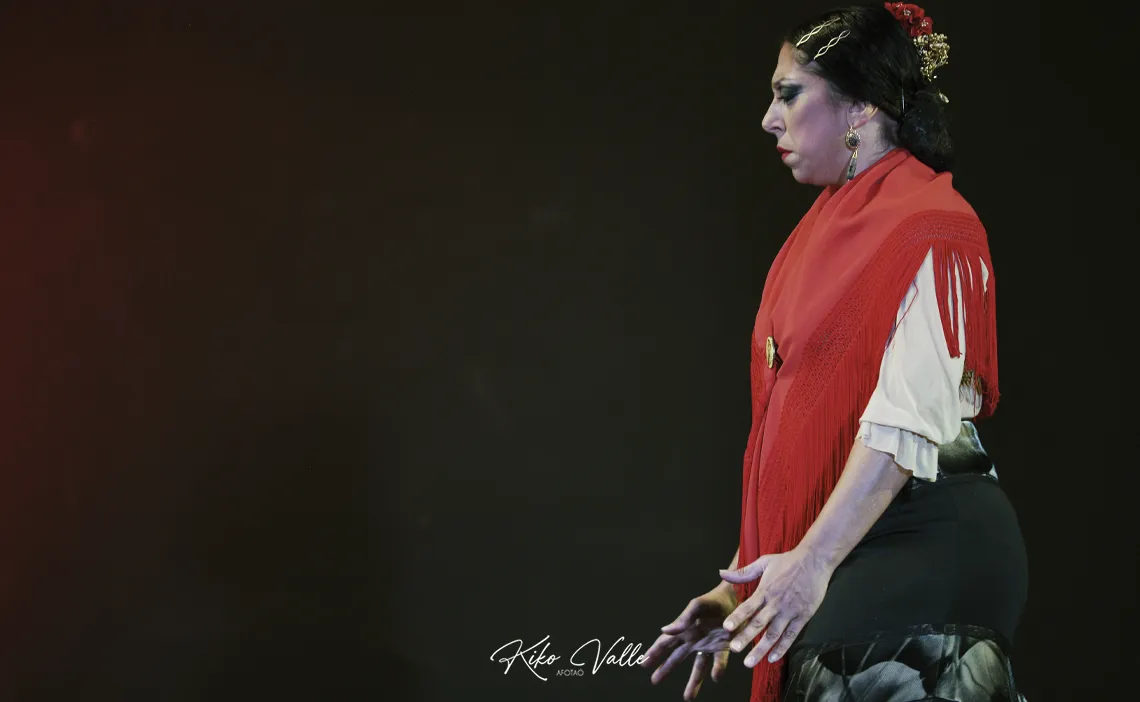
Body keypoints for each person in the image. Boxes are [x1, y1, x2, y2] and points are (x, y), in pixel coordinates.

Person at [639, 4, 1028, 701]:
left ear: (861, 105)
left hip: (920, 538)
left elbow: (904, 423)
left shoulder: (932, 223)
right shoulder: (822, 230)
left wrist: (811, 562)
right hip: (860, 542)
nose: (769, 118)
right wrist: (743, 587)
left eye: (789, 94)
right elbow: (802, 437)